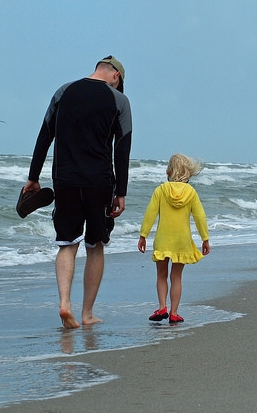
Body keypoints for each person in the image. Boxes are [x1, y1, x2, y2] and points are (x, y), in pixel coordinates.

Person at [22, 55, 132, 329]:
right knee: (95, 246)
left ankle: (64, 304)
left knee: (67, 243)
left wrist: (33, 177)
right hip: (99, 182)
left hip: (65, 179)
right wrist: (121, 191)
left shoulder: (64, 91)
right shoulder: (119, 101)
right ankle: (87, 314)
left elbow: (45, 134)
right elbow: (123, 147)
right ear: (116, 76)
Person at [138, 154, 210, 324]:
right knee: (176, 277)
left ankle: (162, 306)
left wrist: (143, 235)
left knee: (161, 275)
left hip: (163, 240)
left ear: (169, 171)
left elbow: (150, 214)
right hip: (182, 241)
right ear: (188, 172)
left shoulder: (160, 190)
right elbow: (200, 216)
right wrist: (205, 239)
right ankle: (174, 312)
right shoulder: (191, 192)